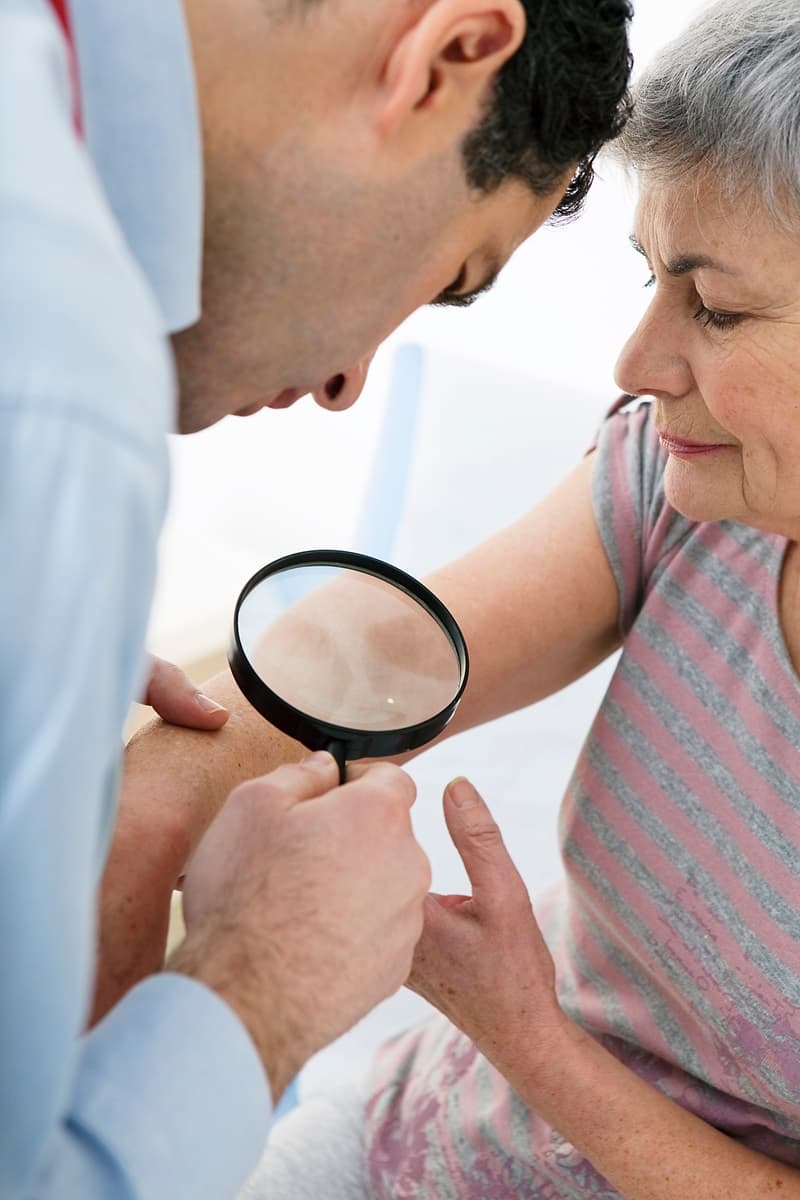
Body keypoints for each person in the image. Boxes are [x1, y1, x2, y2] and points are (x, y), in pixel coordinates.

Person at [98, 0, 800, 1196]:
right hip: (400, 1149)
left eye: (715, 310)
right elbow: (207, 759)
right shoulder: (677, 487)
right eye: (646, 281)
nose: (633, 364)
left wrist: (523, 1032)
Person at [0, 0, 633, 1196]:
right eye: (451, 274)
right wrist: (265, 983)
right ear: (445, 54)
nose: (349, 381)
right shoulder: (62, 385)